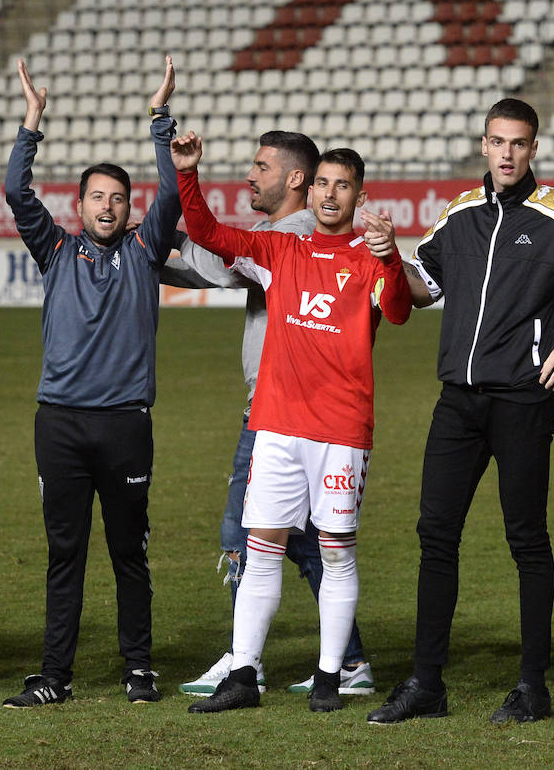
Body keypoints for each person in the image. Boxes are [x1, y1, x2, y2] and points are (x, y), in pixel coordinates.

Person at [368, 98, 554, 726]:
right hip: (457, 401)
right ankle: (427, 683)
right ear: (483, 145)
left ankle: (532, 686)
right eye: (496, 141)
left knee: (526, 541)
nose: (506, 153)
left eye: (518, 143)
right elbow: (425, 287)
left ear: (533, 149)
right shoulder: (458, 215)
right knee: (436, 535)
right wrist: (390, 253)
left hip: (522, 402)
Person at [173, 137, 411, 714]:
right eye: (324, 183)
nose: (331, 194)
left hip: (341, 431)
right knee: (262, 548)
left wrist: (391, 257)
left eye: (343, 185)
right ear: (313, 187)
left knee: (335, 553)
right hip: (277, 426)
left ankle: (332, 676)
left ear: (358, 194)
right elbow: (209, 235)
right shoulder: (282, 249)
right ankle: (244, 675)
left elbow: (400, 310)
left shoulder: (369, 255)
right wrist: (187, 173)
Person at [1, 56, 181, 708]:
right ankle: (56, 676)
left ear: (130, 208)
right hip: (61, 424)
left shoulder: (144, 249)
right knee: (64, 554)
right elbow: (17, 192)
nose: (108, 206)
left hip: (126, 423)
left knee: (129, 552)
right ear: (79, 206)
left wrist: (159, 119)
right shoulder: (54, 248)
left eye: (117, 198)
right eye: (96, 197)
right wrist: (32, 122)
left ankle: (139, 670)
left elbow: (174, 193)